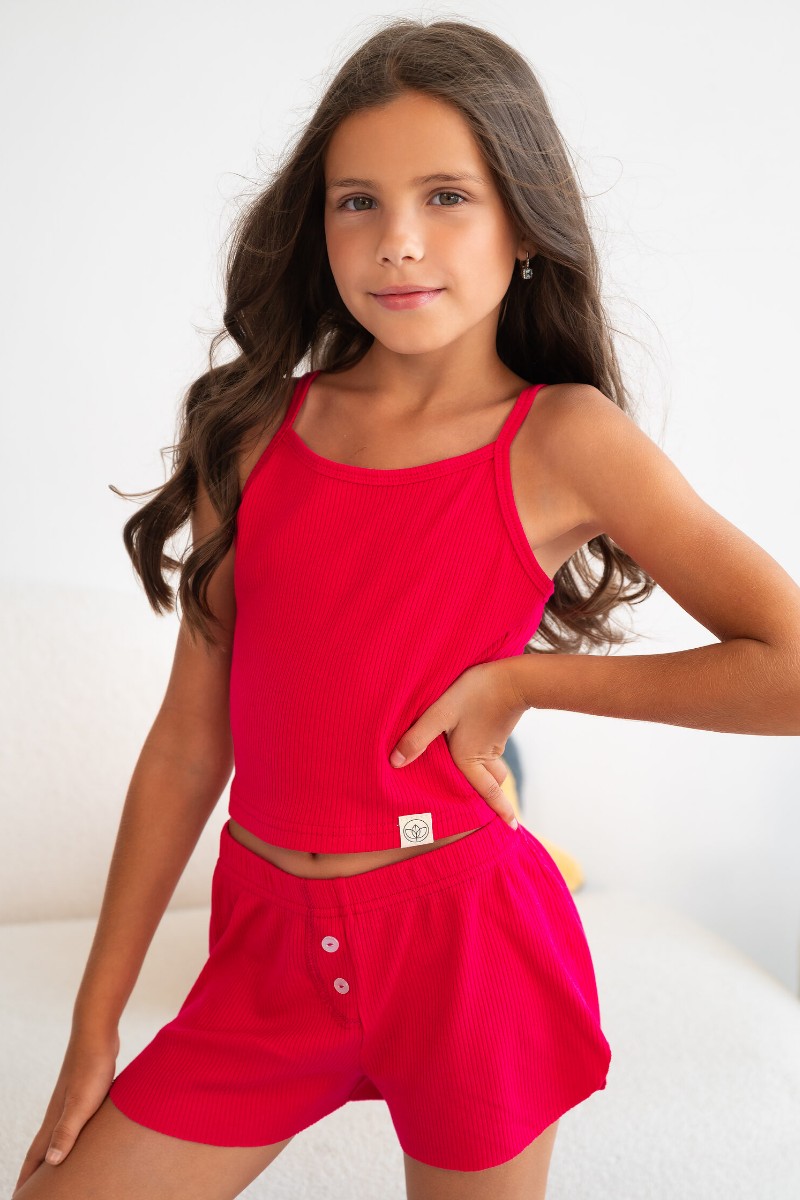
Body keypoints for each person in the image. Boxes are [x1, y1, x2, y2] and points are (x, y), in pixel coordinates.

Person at [13, 16, 800, 1200]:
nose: (396, 241)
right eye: (356, 202)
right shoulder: (249, 430)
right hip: (267, 953)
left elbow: (783, 667)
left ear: (522, 224)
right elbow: (186, 744)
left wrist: (524, 681)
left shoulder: (564, 438)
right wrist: (94, 1027)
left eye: (445, 197)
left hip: (466, 948)